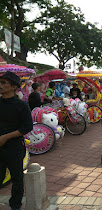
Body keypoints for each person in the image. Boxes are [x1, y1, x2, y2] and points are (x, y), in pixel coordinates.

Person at [0, 71, 33, 210]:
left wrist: (5, 137)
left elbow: (27, 126)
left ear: (14, 87)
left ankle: (15, 205)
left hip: (14, 147)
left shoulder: (21, 105)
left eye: (3, 83)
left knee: (17, 178)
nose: (0, 85)